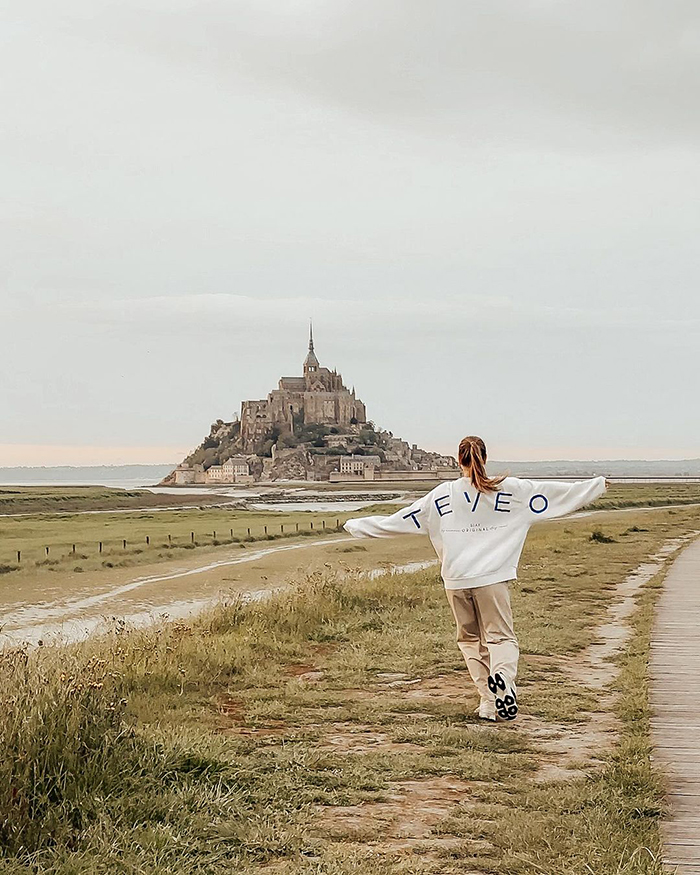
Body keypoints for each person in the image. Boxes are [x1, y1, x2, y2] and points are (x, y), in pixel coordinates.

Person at [343, 436, 608, 722]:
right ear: (485, 457)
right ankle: (503, 678)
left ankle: (487, 701)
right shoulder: (511, 489)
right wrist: (597, 486)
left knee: (470, 641)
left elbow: (401, 520)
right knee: (501, 637)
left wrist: (357, 525)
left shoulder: (442, 494)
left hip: (456, 579)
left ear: (459, 460)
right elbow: (556, 495)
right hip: (492, 578)